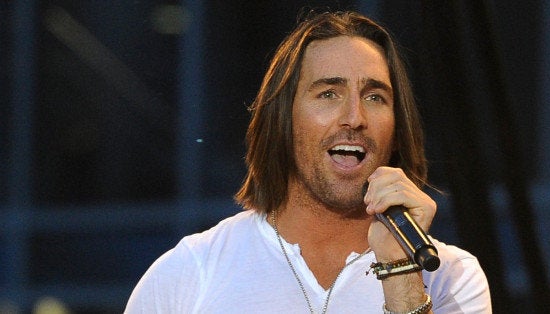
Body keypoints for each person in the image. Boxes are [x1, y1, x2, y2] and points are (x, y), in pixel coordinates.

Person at [125, 11, 491, 314]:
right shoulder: (190, 272)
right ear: (283, 119)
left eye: (375, 97)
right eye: (329, 93)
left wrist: (401, 271)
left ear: (397, 129)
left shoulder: (451, 278)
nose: (354, 117)